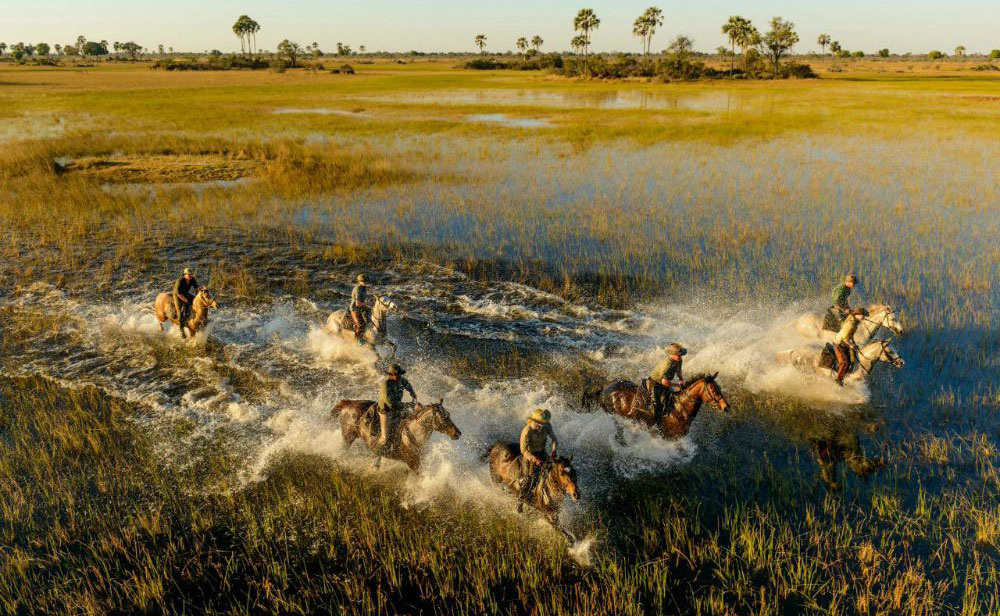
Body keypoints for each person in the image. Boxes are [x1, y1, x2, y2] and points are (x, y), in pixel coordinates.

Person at [518, 408, 558, 507]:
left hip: (542, 452)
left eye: (543, 423)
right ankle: (520, 500)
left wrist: (554, 451)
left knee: (554, 469)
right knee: (529, 478)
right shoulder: (526, 431)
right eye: (539, 423)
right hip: (529, 456)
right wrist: (535, 460)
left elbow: (554, 439)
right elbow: (523, 450)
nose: (541, 425)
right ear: (533, 421)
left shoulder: (547, 426)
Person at [376, 363, 417, 451]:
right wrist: (407, 404)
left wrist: (412, 393)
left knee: (411, 417)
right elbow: (391, 403)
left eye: (400, 375)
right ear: (391, 375)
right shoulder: (385, 384)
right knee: (385, 437)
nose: (399, 377)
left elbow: (407, 384)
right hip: (386, 410)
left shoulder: (400, 380)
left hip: (398, 406)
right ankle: (377, 455)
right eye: (397, 375)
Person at [648, 343, 686, 421]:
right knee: (658, 406)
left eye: (681, 355)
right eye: (678, 355)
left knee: (672, 400)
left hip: (665, 382)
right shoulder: (667, 365)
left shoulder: (679, 360)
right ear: (672, 354)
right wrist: (677, 385)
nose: (680, 356)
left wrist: (681, 379)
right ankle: (654, 423)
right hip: (655, 382)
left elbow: (678, 370)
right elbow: (665, 382)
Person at [834, 308, 868, 386]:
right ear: (857, 315)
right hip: (839, 344)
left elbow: (850, 335)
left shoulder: (855, 322)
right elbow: (845, 339)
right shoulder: (850, 325)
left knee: (852, 360)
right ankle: (838, 381)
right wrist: (852, 345)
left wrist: (854, 343)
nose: (864, 317)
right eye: (863, 316)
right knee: (845, 362)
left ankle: (845, 376)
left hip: (844, 343)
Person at [172, 267, 200, 339]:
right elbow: (179, 294)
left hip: (185, 293)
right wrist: (187, 301)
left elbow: (196, 289)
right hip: (177, 295)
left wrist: (197, 298)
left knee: (194, 301)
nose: (190, 276)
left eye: (191, 274)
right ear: (185, 275)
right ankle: (182, 331)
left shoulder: (192, 279)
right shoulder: (180, 281)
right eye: (189, 275)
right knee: (180, 312)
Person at [350, 274, 369, 344]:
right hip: (355, 309)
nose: (365, 282)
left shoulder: (364, 288)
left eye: (365, 281)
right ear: (359, 281)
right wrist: (366, 304)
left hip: (361, 308)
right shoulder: (357, 289)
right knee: (360, 324)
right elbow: (357, 303)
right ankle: (356, 340)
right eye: (363, 281)